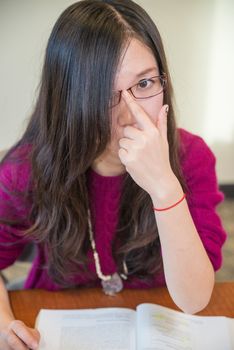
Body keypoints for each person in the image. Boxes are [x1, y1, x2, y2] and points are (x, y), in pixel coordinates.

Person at [0, 0, 227, 348]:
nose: (131, 114)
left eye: (146, 83)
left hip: (160, 315)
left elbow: (194, 298)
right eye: (105, 93)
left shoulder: (191, 156)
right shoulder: (27, 169)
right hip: (55, 315)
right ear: (68, 98)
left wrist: (165, 188)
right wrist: (4, 324)